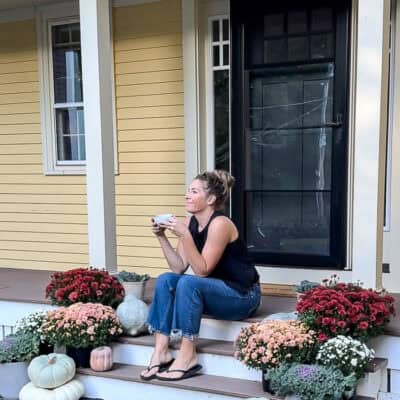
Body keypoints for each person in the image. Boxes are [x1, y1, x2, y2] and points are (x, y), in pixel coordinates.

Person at [140, 170, 260, 381]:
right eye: (188, 190)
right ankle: (161, 351)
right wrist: (162, 237)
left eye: (194, 191)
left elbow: (202, 270)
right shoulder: (190, 224)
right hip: (213, 292)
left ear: (211, 199)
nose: (187, 195)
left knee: (189, 283)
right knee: (166, 279)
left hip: (242, 296)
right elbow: (178, 267)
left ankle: (188, 355)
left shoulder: (220, 224)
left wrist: (185, 235)